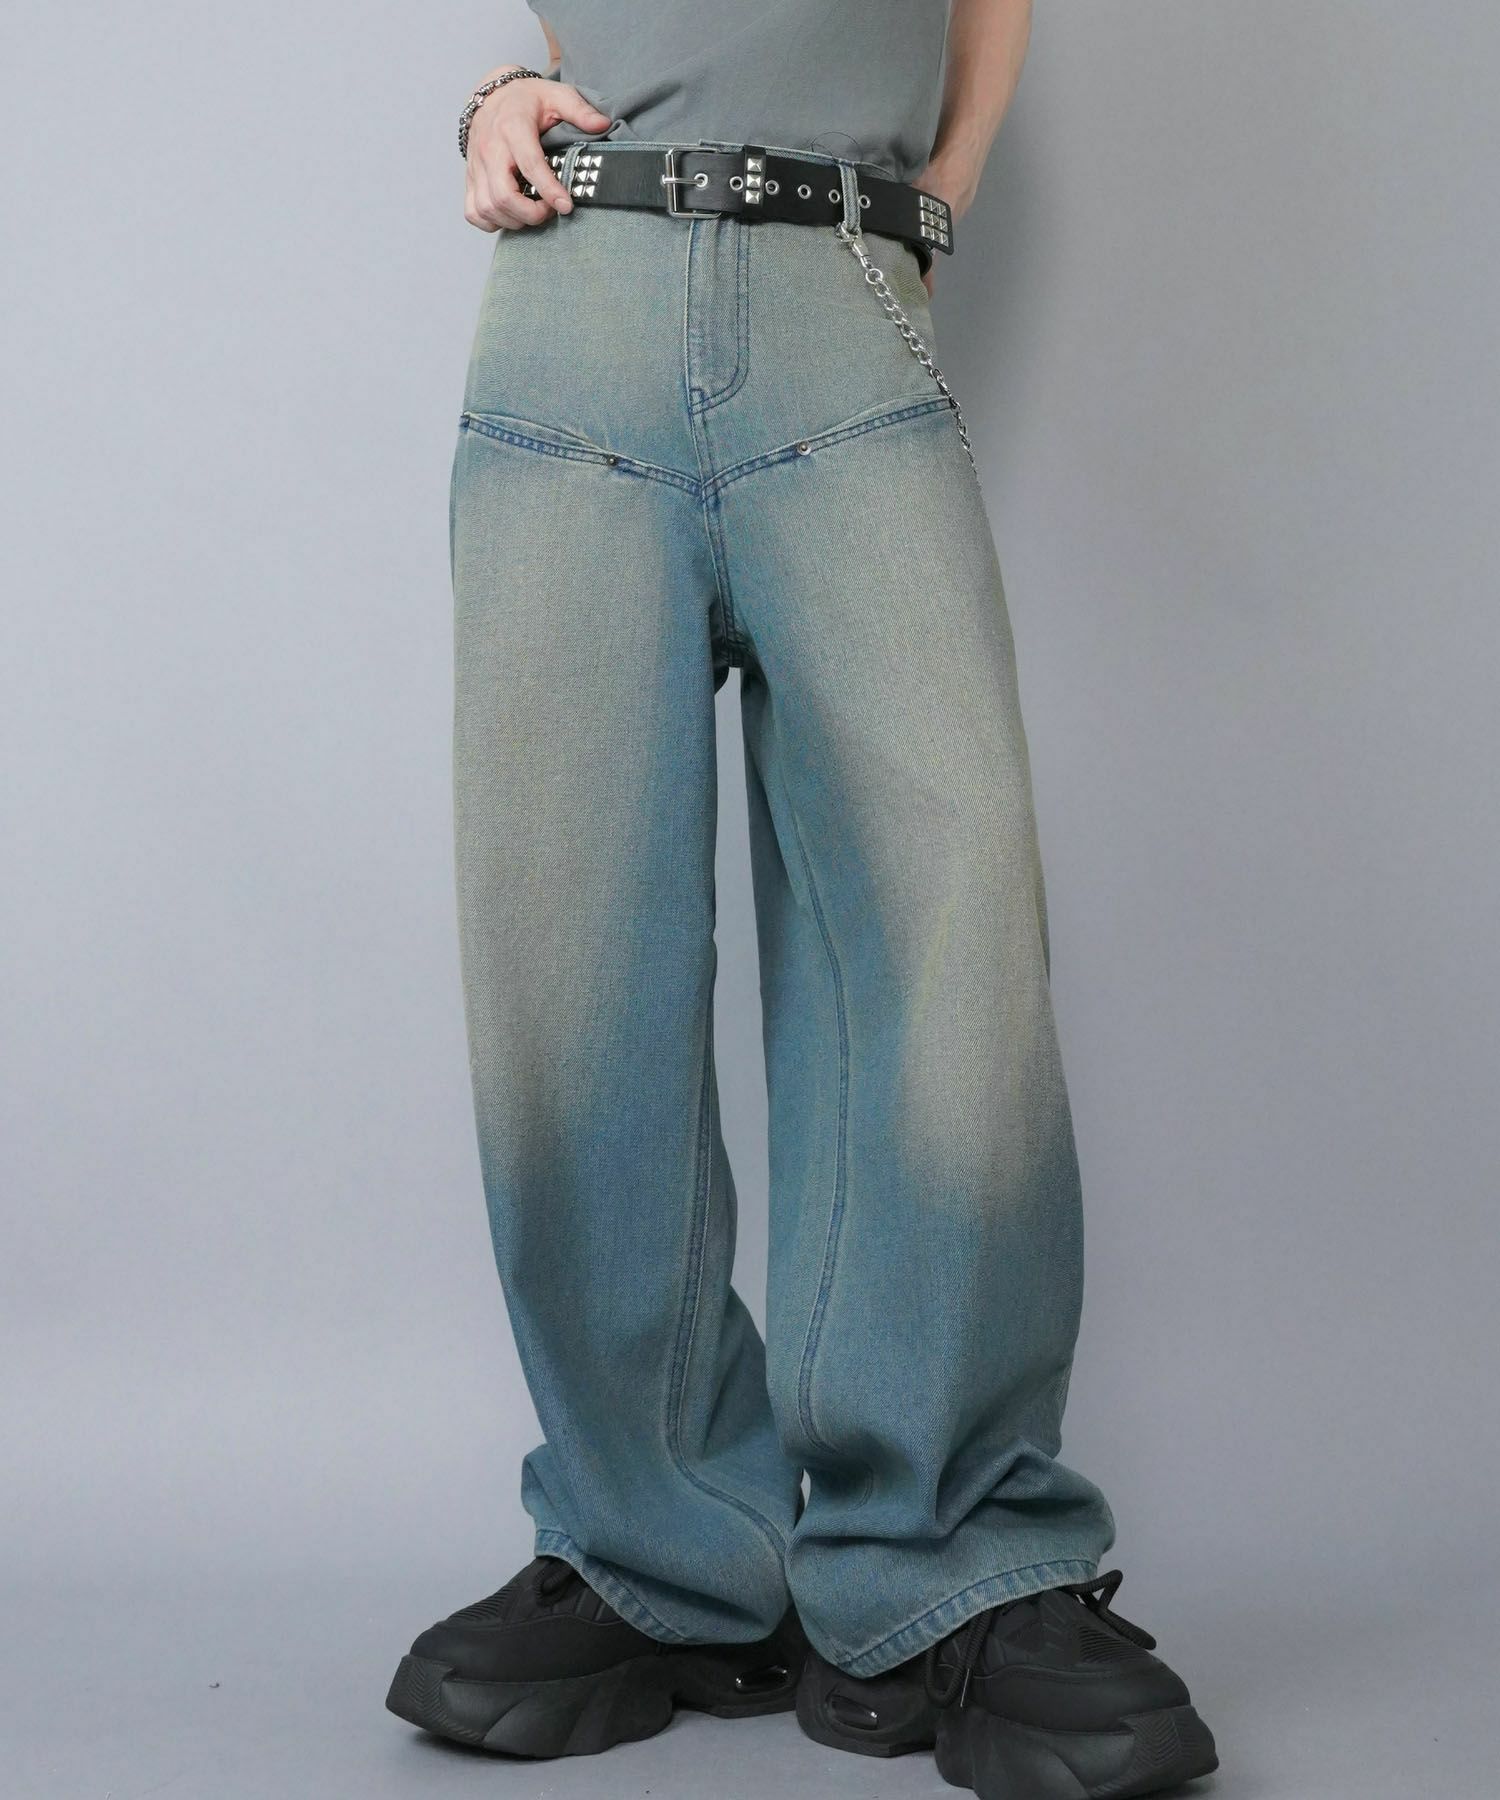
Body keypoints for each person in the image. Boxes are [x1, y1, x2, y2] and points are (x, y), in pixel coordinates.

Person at [385, 5, 1218, 1796]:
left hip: (842, 296)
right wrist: (498, 92)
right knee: (562, 965)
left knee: (946, 931)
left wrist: (943, 188)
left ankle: (949, 1562)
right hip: (574, 311)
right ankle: (657, 1548)